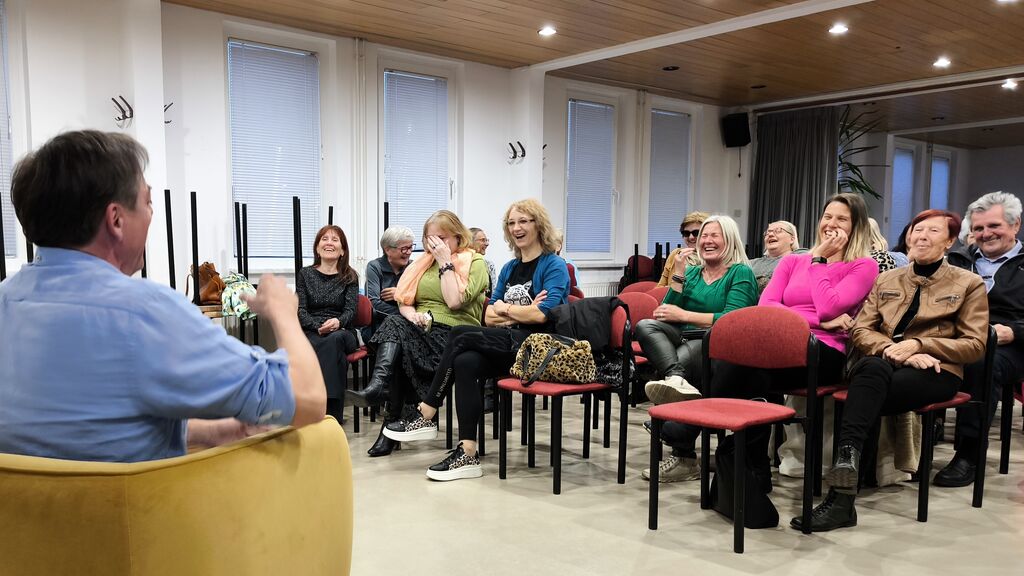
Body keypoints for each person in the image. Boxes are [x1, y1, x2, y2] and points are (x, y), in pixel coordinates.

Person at [0, 130, 325, 463]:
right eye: (148, 202)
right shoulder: (144, 313)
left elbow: (82, 431)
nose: (151, 213)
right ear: (116, 219)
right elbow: (308, 398)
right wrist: (282, 311)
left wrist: (208, 431)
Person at [654, 194, 879, 484]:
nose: (831, 224)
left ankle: (691, 430)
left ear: (856, 226)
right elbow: (767, 306)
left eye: (841, 219)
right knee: (737, 366)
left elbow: (829, 307)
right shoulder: (792, 261)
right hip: (776, 345)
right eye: (827, 217)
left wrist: (819, 262)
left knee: (748, 370)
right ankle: (751, 464)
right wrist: (817, 320)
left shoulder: (863, 266)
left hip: (821, 351)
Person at [795, 209, 988, 531]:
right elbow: (861, 330)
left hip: (936, 370)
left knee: (864, 393)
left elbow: (975, 344)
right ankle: (844, 486)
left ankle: (842, 492)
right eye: (917, 229)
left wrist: (919, 346)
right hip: (884, 362)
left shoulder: (969, 283)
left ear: (950, 241)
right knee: (870, 370)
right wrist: (891, 349)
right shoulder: (887, 279)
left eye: (933, 231)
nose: (921, 236)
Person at [383, 199, 570, 480]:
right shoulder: (509, 268)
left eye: (523, 221)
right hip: (513, 342)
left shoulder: (553, 265)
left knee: (460, 333)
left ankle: (427, 411)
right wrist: (517, 311)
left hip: (541, 349)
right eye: (511, 223)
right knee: (466, 362)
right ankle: (468, 453)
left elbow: (542, 316)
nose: (516, 228)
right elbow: (490, 316)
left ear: (538, 225)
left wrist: (507, 309)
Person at [346, 210, 489, 457]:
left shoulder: (474, 262)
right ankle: (381, 391)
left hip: (456, 335)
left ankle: (386, 414)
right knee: (396, 326)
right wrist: (412, 315)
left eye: (441, 238)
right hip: (423, 328)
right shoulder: (422, 264)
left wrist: (445, 262)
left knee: (399, 349)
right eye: (429, 239)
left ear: (457, 236)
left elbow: (454, 301)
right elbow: (405, 300)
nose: (434, 245)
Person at [638, 215, 758, 482]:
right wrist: (679, 274)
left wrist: (684, 315)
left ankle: (681, 450)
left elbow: (732, 319)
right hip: (684, 336)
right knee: (645, 326)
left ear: (730, 239)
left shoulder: (740, 272)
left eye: (714, 235)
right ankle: (675, 377)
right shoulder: (692, 272)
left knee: (686, 355)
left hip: (719, 343)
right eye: (704, 236)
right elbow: (665, 311)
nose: (706, 241)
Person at [937, 191, 1024, 486]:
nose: (986, 234)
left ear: (1015, 225)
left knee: (980, 363)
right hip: (957, 339)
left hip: (1011, 346)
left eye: (994, 226)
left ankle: (969, 454)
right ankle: (910, 449)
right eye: (978, 228)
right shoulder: (955, 261)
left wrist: (1015, 331)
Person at [296, 224, 360, 421]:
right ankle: (331, 412)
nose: (329, 243)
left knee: (334, 340)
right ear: (317, 248)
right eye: (324, 239)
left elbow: (351, 311)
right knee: (330, 351)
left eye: (335, 240)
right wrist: (318, 326)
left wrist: (337, 322)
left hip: (343, 331)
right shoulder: (305, 274)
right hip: (313, 329)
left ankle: (322, 410)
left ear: (342, 250)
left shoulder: (350, 276)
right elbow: (300, 310)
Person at [364, 226, 414, 340]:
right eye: (404, 249)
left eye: (411, 247)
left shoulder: (413, 267)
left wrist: (400, 294)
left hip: (408, 323)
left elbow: (421, 299)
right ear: (387, 250)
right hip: (379, 325)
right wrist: (407, 314)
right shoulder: (375, 267)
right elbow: (373, 303)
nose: (409, 252)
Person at [657, 211, 709, 287]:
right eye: (686, 233)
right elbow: (660, 286)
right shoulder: (676, 254)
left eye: (696, 233)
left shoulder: (714, 258)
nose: (691, 237)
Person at [749, 220, 801, 293]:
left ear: (792, 239)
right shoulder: (750, 264)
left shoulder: (801, 259)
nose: (770, 234)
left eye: (778, 230)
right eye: (767, 233)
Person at [470, 226, 497, 295]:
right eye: (483, 240)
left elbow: (493, 293)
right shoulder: (461, 264)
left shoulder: (489, 265)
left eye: (486, 240)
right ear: (470, 242)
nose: (487, 244)